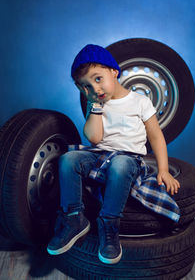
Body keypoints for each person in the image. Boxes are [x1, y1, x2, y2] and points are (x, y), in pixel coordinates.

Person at [47, 44, 180, 264]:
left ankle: (109, 225)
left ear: (114, 72)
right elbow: (94, 139)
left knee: (120, 165)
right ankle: (73, 218)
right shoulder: (96, 104)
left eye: (97, 79)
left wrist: (163, 170)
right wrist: (96, 108)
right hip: (100, 156)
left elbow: (156, 137)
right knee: (68, 159)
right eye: (85, 87)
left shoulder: (140, 101)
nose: (94, 89)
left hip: (129, 159)